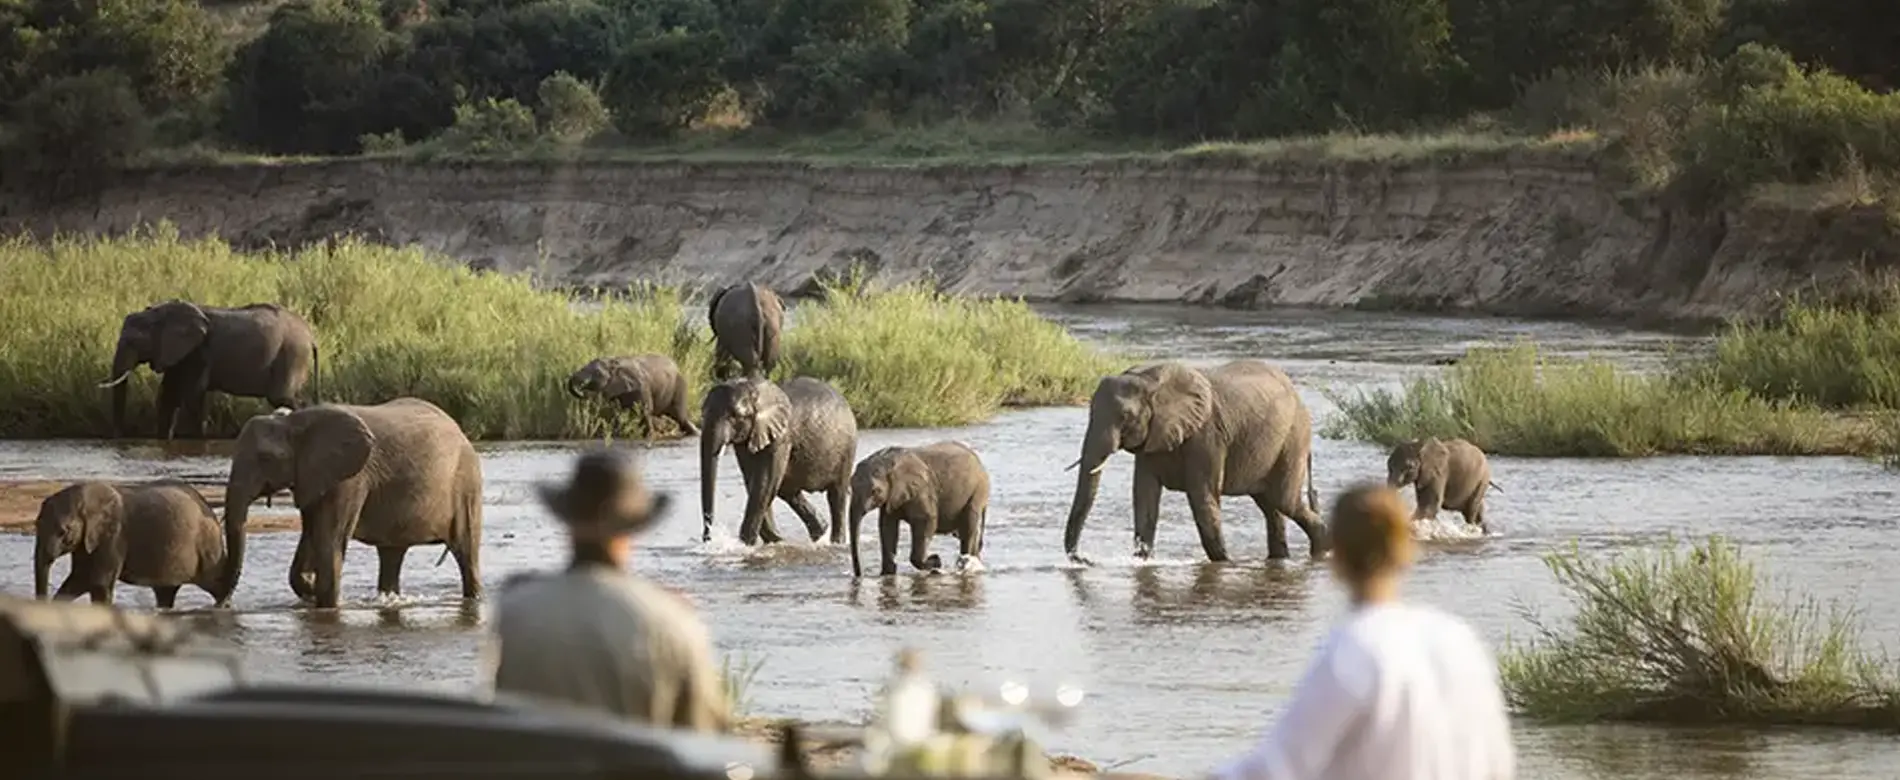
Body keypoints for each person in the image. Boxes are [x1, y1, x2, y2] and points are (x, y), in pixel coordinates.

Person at [1207, 481, 1515, 780]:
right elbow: (1498, 765)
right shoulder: (1461, 641)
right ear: (1406, 550)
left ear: (1337, 556)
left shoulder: (1351, 651)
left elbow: (1278, 767)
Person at [483, 446, 732, 733]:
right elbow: (707, 737)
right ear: (634, 528)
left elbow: (501, 714)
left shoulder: (515, 612)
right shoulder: (674, 622)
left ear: (568, 522)